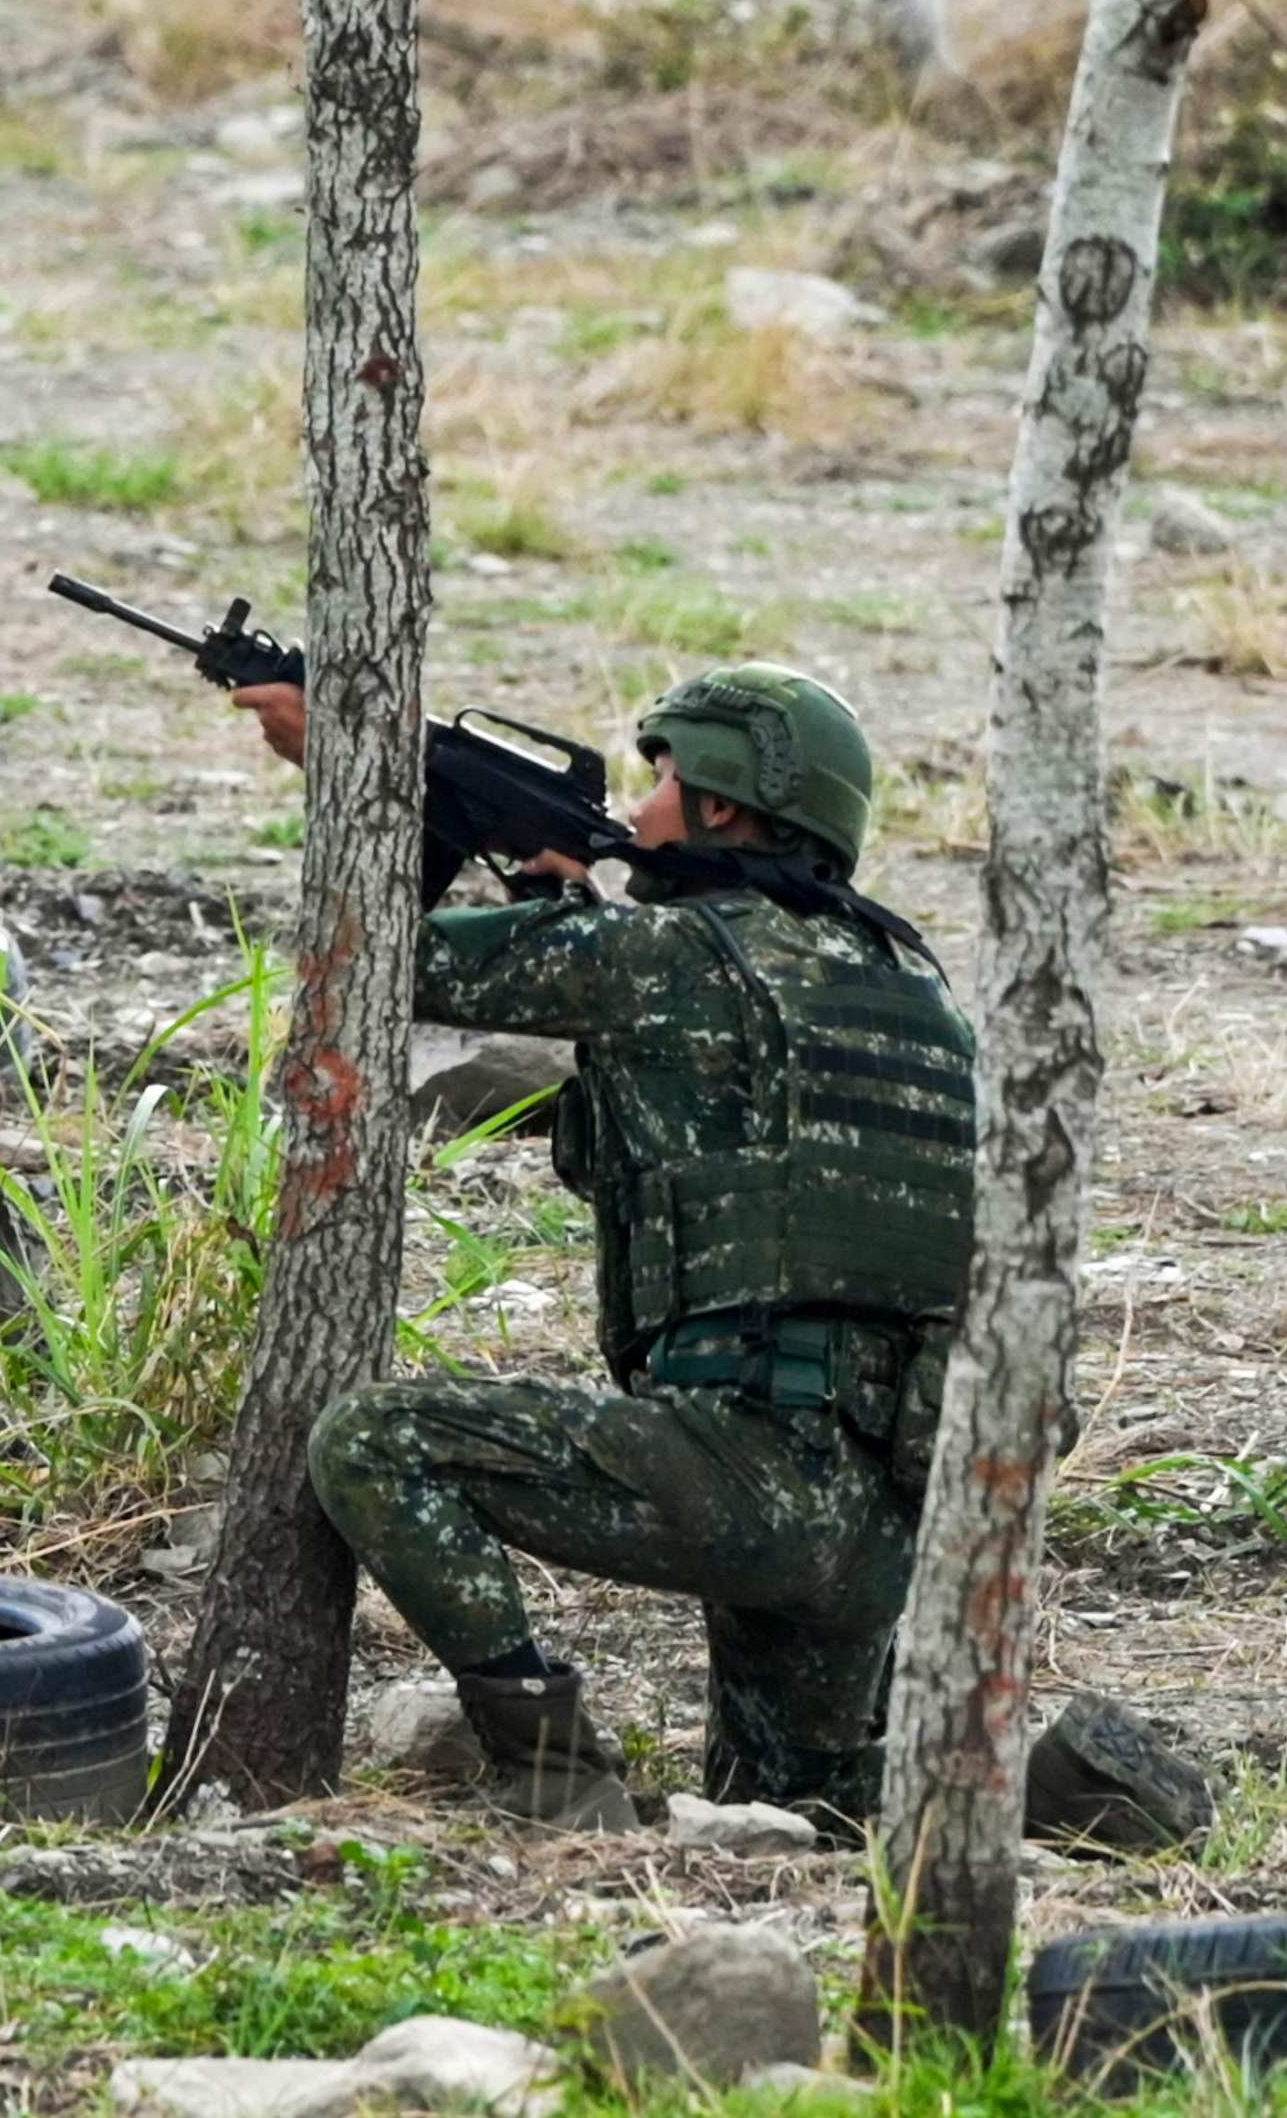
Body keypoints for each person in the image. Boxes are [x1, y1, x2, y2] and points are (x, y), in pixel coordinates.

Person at [242, 662, 976, 1833]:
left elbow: (385, 968)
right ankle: (1072, 1784)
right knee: (807, 1810)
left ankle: (554, 1773)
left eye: (663, 778)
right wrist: (570, 901)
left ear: (727, 808)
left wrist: (360, 786)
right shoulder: (914, 995)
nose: (639, 807)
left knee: (377, 1441)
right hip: (886, 1506)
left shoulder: (666, 962)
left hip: (744, 1473)